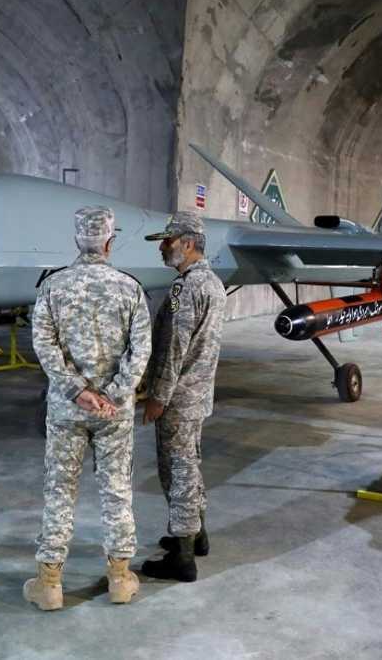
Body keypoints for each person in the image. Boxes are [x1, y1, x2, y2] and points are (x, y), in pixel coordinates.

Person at [25, 206, 152, 611]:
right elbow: (141, 349)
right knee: (116, 490)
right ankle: (119, 578)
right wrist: (113, 393)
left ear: (78, 240)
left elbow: (44, 344)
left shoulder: (53, 286)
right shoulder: (129, 288)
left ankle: (49, 585)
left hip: (67, 409)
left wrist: (77, 391)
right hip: (113, 414)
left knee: (60, 489)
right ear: (110, 240)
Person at [140, 212, 227, 582]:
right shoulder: (213, 283)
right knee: (189, 466)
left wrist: (157, 395)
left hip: (178, 397)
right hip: (198, 394)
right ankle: (197, 536)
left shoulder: (185, 288)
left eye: (168, 241)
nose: (163, 248)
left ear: (188, 243)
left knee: (176, 472)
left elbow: (175, 346)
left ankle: (183, 556)